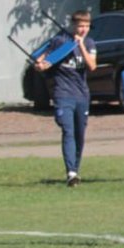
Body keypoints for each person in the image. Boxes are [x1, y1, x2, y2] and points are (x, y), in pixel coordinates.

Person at [34, 10, 97, 187]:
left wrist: (81, 45)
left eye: (86, 26)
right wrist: (40, 65)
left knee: (80, 135)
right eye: (80, 26)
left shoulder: (90, 43)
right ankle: (70, 172)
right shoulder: (59, 41)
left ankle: (75, 171)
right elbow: (40, 60)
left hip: (82, 95)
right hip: (63, 95)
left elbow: (92, 66)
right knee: (68, 131)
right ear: (73, 25)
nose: (84, 29)